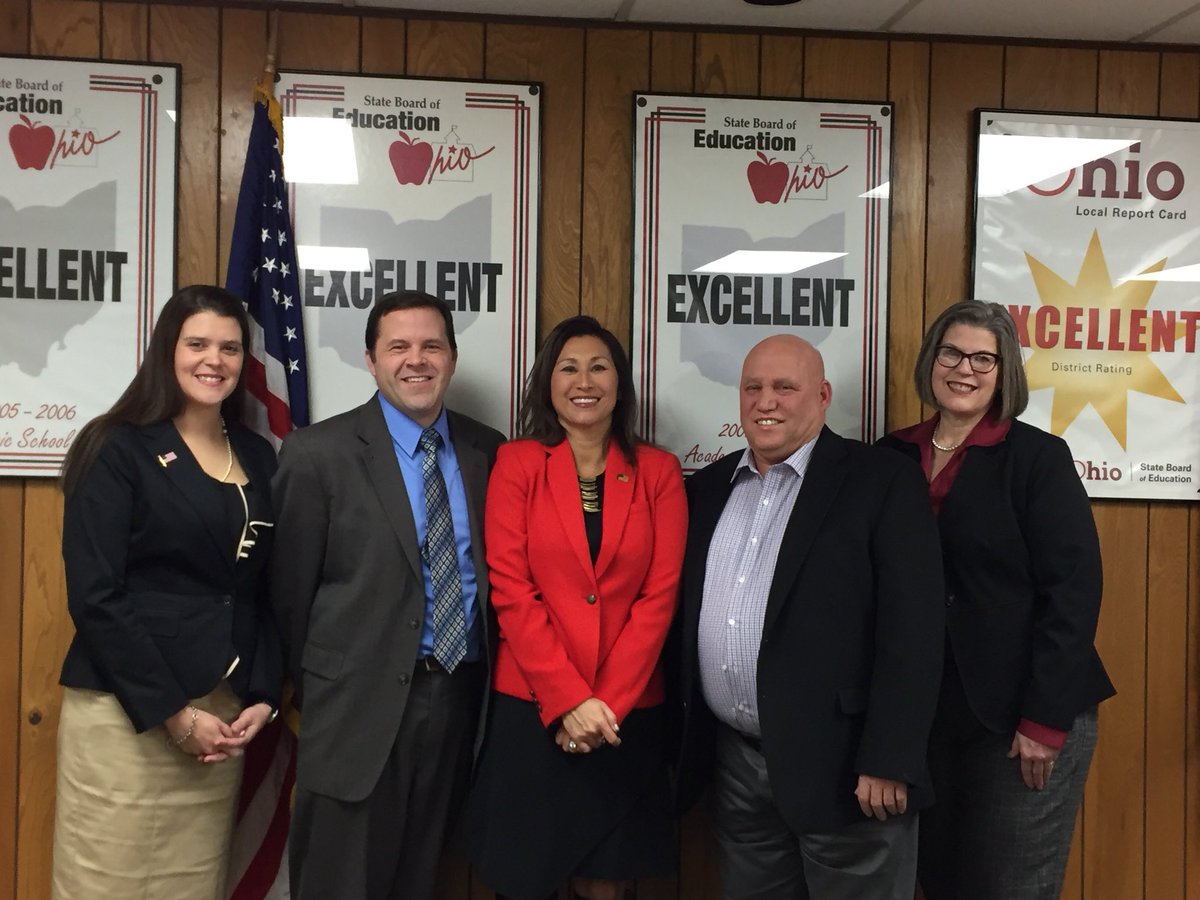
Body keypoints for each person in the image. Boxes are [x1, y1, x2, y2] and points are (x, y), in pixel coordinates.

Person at [674, 334, 945, 900]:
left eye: (784, 387)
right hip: (736, 766)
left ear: (821, 396)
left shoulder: (881, 481)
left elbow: (914, 629)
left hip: (848, 772)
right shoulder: (709, 487)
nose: (765, 401)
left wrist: (891, 756)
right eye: (753, 387)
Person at [876, 299, 1115, 899]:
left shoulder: (1038, 459)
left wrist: (1044, 719)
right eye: (953, 352)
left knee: (1009, 887)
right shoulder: (890, 457)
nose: (966, 369)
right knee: (942, 882)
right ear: (932, 359)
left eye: (985, 358)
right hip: (929, 717)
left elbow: (1074, 592)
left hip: (1023, 714)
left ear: (1005, 372)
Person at [271, 290, 505, 900]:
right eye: (398, 347)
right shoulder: (317, 454)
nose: (416, 360)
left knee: (422, 880)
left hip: (459, 702)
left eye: (431, 345)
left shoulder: (490, 452)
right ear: (371, 362)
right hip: (354, 711)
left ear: (452, 357)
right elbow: (288, 598)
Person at [52, 284, 281, 900]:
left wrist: (263, 692)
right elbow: (96, 595)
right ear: (167, 350)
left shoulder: (259, 457)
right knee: (105, 884)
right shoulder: (116, 446)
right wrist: (175, 717)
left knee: (190, 885)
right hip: (130, 718)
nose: (215, 360)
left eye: (230, 348)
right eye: (198, 343)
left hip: (220, 719)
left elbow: (259, 589)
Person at [464, 315, 687, 900]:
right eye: (568, 367)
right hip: (534, 710)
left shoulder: (659, 472)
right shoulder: (516, 464)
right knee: (524, 877)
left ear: (620, 382)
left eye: (598, 366)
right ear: (547, 381)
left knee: (607, 881)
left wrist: (602, 709)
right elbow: (511, 590)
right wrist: (567, 701)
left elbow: (658, 599)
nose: (583, 380)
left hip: (625, 715)